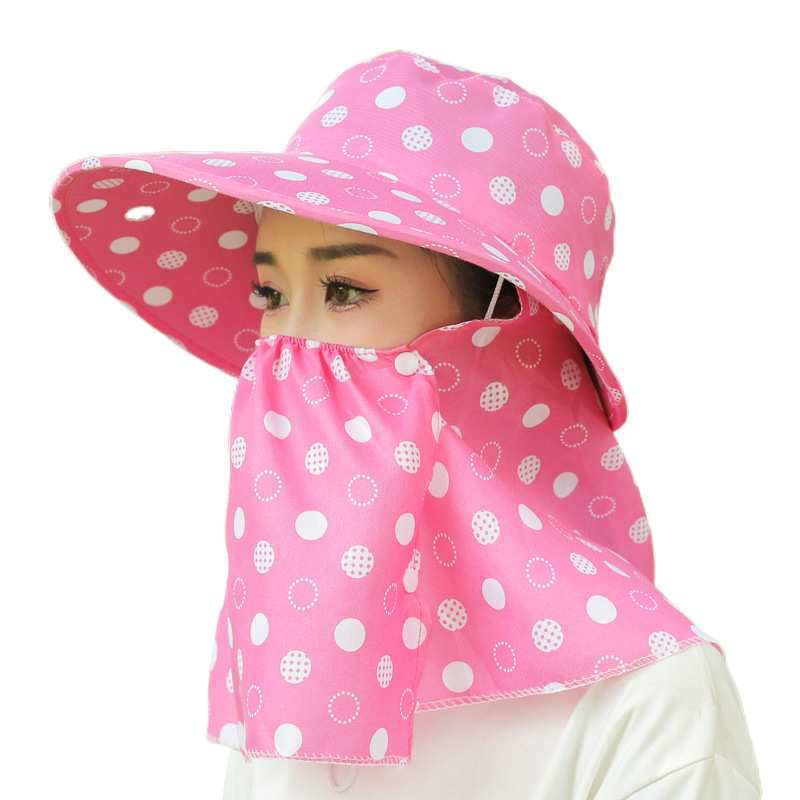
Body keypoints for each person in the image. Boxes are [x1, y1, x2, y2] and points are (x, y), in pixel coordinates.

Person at [50, 50, 761, 798]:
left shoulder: (651, 699)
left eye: (345, 289)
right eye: (269, 294)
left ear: (503, 332)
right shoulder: (294, 648)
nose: (287, 354)